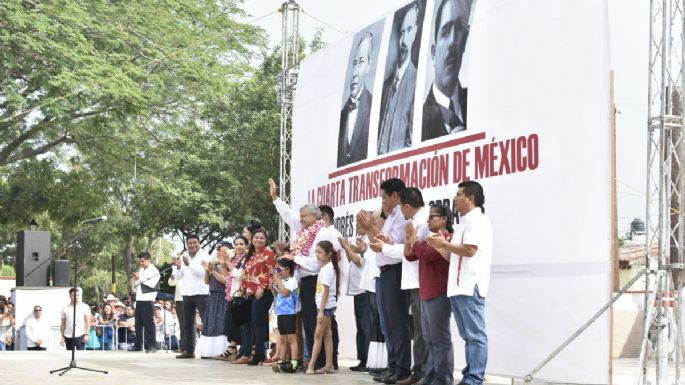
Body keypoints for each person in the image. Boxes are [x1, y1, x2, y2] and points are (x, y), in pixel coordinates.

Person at [270, 178, 342, 371]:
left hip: (318, 281)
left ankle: (324, 362)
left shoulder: (322, 233)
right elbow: (289, 216)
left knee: (321, 325)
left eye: (304, 216)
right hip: (306, 282)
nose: (300, 220)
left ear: (315, 216)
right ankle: (314, 359)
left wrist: (293, 257)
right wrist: (276, 199)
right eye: (300, 216)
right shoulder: (305, 231)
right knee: (310, 324)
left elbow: (316, 263)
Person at [426, 181, 492, 385]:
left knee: (475, 336)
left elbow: (470, 251)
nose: (455, 198)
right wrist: (439, 247)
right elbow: (453, 257)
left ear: (470, 198)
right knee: (468, 336)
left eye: (459, 194)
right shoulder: (463, 223)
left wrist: (445, 244)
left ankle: (474, 379)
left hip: (469, 285)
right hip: (456, 287)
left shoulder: (478, 221)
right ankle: (469, 376)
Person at [370, 187, 429, 385]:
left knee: (414, 328)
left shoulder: (422, 220)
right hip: (410, 279)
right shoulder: (411, 220)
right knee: (400, 326)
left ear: (405, 204)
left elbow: (410, 251)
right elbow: (406, 248)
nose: (400, 212)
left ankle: (415, 371)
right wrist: (388, 243)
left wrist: (386, 246)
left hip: (415, 278)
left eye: (385, 197)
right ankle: (404, 369)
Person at [357, 178, 412, 384]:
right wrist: (370, 229)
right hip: (383, 272)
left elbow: (392, 248)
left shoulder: (401, 218)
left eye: (384, 197)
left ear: (396, 196)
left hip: (395, 271)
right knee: (386, 323)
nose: (382, 201)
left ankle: (402, 368)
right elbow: (375, 245)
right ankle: (393, 365)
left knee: (397, 321)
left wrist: (371, 228)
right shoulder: (390, 218)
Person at [406, 203, 454, 385]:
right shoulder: (428, 239)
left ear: (444, 220)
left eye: (433, 216)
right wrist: (410, 239)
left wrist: (414, 240)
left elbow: (425, 254)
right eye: (429, 216)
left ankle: (443, 379)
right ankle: (432, 377)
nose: (429, 219)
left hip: (438, 294)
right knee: (430, 340)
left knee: (440, 340)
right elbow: (411, 256)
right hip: (426, 295)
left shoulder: (446, 238)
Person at [422, 0, 472, 141]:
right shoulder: (417, 121)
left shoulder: (476, 101)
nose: (452, 42)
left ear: (463, 45)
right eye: (445, 31)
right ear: (433, 53)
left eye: (459, 29)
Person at [377, 4, 420, 155]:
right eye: (402, 33)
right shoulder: (385, 85)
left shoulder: (417, 81)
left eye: (409, 30)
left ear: (415, 32)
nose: (404, 40)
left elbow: (412, 140)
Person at [234, 228, 276, 365]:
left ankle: (260, 356)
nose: (259, 240)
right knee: (252, 324)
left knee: (258, 324)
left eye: (262, 238)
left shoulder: (269, 253)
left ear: (266, 240)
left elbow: (271, 273)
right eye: (256, 237)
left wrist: (262, 288)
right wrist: (243, 290)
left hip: (262, 293)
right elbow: (245, 275)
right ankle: (255, 354)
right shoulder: (250, 255)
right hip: (249, 293)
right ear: (252, 240)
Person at [339, 220, 373, 373]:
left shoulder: (370, 242)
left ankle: (369, 360)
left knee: (367, 327)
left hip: (364, 290)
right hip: (356, 291)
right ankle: (362, 359)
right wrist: (347, 247)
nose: (358, 226)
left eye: (361, 223)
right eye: (357, 224)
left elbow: (359, 261)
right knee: (360, 327)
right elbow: (350, 258)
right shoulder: (359, 241)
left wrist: (346, 246)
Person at [338, 32, 374, 167]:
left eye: (361, 62)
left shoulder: (375, 107)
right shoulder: (342, 115)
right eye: (354, 63)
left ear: (369, 65)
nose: (354, 73)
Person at [305, 241, 340, 375]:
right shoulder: (326, 268)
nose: (317, 255)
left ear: (329, 253)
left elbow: (325, 291)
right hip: (326, 307)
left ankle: (312, 365)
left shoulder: (328, 269)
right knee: (327, 335)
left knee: (317, 335)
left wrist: (320, 311)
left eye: (320, 252)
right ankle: (329, 364)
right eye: (316, 252)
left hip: (325, 308)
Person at [174, 234, 211, 359]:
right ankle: (189, 350)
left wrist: (189, 264)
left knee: (206, 321)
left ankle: (208, 351)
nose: (192, 245)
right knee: (188, 323)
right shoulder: (183, 255)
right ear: (187, 244)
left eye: (195, 242)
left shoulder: (205, 255)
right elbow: (178, 277)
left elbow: (204, 273)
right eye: (190, 243)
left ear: (199, 243)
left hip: (202, 292)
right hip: (187, 293)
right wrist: (179, 267)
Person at [194, 242, 230, 359]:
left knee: (220, 324)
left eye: (224, 251)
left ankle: (222, 351)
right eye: (219, 251)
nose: (221, 253)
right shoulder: (214, 264)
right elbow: (207, 281)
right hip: (212, 297)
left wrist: (214, 270)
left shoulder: (227, 266)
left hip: (223, 297)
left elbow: (226, 281)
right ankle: (209, 351)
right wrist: (207, 270)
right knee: (210, 325)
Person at [219, 236, 248, 361]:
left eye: (241, 244)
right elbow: (228, 278)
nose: (238, 246)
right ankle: (233, 349)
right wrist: (224, 264)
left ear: (247, 245)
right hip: (233, 294)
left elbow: (240, 275)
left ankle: (245, 352)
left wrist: (228, 263)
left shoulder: (247, 258)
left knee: (243, 324)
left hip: (242, 293)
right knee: (233, 323)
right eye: (236, 244)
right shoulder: (235, 258)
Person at [272, 258, 299, 373]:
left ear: (287, 269)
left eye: (279, 269)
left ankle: (294, 362)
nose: (277, 272)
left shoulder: (292, 281)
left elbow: (284, 293)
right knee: (282, 339)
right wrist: (273, 285)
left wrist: (278, 281)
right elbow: (277, 295)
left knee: (291, 338)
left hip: (289, 313)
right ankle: (281, 361)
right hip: (280, 312)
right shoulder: (282, 281)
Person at [131, 251, 160, 353]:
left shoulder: (154, 270)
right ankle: (138, 345)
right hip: (139, 299)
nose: (141, 263)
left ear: (148, 260)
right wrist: (136, 279)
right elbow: (136, 283)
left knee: (149, 323)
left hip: (148, 299)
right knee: (138, 324)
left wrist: (140, 279)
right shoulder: (141, 269)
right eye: (140, 262)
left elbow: (152, 284)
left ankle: (152, 345)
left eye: (142, 261)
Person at [168, 252, 185, 353]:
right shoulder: (175, 268)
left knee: (189, 323)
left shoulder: (188, 267)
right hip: (179, 298)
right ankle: (183, 346)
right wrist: (173, 275)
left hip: (188, 297)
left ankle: (189, 346)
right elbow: (171, 283)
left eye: (179, 258)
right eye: (177, 258)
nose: (177, 260)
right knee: (181, 323)